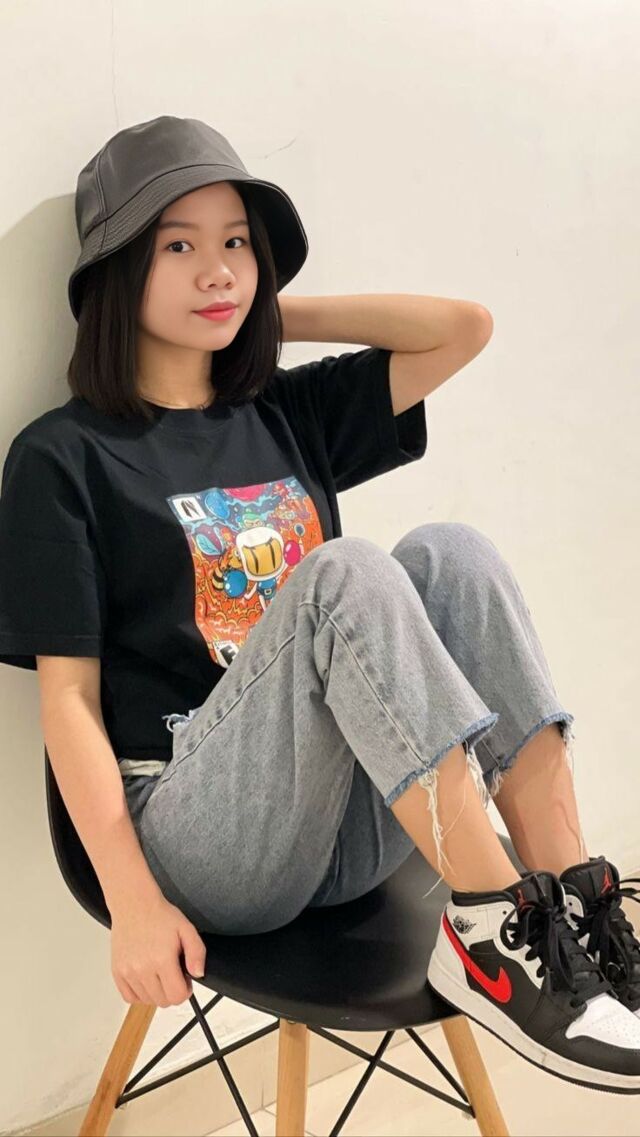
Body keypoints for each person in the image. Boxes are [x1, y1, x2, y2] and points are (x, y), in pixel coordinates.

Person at [0, 116, 638, 1096]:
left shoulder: (282, 413)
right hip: (198, 835)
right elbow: (69, 705)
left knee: (452, 554)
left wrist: (263, 319)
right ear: (119, 272)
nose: (218, 269)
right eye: (179, 247)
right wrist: (132, 900)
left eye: (235, 244)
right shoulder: (64, 457)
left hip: (340, 826)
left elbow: (462, 327)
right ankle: (487, 931)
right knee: (347, 574)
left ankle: (575, 915)